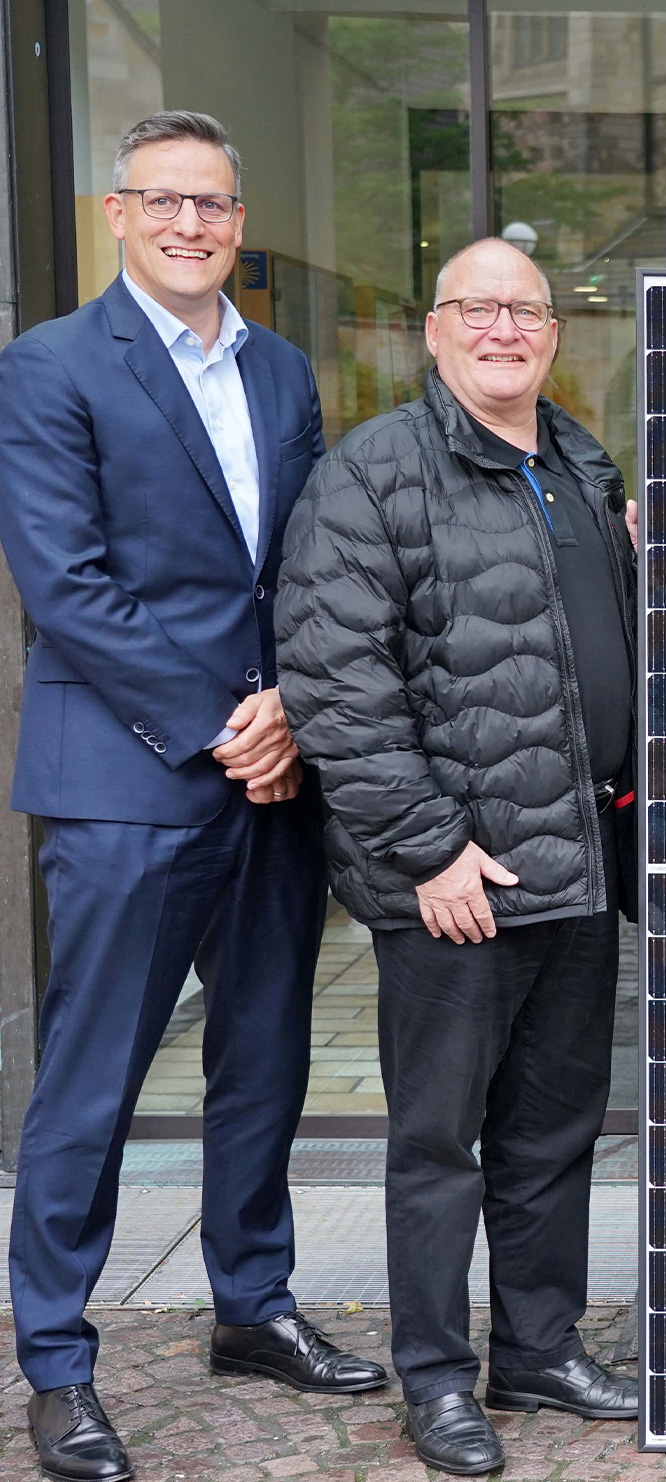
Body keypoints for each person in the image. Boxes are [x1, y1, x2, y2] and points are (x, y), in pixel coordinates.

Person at [0, 110, 386, 1482]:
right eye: (162, 199)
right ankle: (57, 1358)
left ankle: (253, 1303)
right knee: (94, 1074)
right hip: (129, 777)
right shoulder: (49, 365)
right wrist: (227, 723)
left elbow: (307, 563)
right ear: (116, 212)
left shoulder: (280, 369)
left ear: (239, 222)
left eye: (212, 203)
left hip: (274, 773)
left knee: (265, 1053)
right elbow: (66, 583)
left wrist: (294, 706)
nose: (188, 223)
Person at [276, 237, 639, 1476]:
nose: (502, 329)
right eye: (476, 309)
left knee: (554, 1131)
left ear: (553, 334)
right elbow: (336, 683)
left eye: (524, 311)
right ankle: (435, 1378)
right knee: (440, 1146)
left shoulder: (580, 465)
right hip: (455, 881)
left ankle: (537, 1348)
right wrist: (432, 851)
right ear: (432, 332)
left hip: (576, 858)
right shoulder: (373, 472)